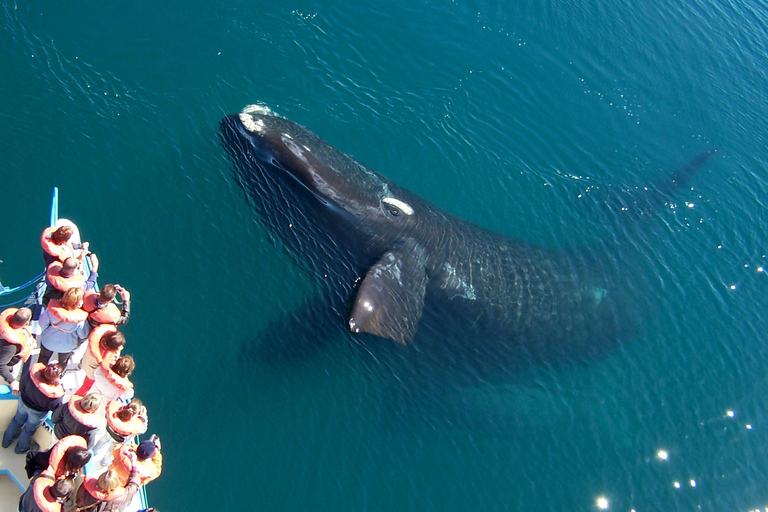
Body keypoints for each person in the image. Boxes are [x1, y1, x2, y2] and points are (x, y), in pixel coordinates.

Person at [2, 362, 64, 453]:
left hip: (23, 403)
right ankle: (20, 449)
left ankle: (6, 442)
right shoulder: (55, 393)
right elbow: (56, 407)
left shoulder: (32, 375)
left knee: (16, 420)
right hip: (37, 412)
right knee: (29, 430)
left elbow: (22, 384)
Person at [37, 287, 90, 369]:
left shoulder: (52, 310)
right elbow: (83, 335)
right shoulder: (79, 319)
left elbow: (42, 324)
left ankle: (39, 374)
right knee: (63, 362)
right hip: (67, 346)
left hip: (48, 341)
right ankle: (58, 377)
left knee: (43, 359)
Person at [92, 398, 148, 467]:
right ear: (135, 414)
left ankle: (94, 452)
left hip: (108, 432)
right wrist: (144, 416)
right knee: (110, 451)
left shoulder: (116, 412)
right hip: (117, 441)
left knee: (102, 441)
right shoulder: (133, 426)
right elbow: (143, 429)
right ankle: (104, 463)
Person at [75, 325, 125, 396]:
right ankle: (76, 396)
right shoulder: (105, 358)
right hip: (91, 372)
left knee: (86, 380)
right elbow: (108, 368)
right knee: (87, 386)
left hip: (86, 362)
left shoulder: (98, 340)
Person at [75, 460, 141, 512]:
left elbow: (79, 498)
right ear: (115, 485)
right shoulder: (119, 498)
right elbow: (134, 486)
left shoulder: (88, 485)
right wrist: (134, 469)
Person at [25, 434, 91, 479]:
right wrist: (32, 476)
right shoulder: (50, 458)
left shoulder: (74, 472)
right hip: (43, 474)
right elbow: (31, 456)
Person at [0, 307, 35, 391]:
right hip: (9, 363)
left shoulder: (3, 323)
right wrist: (12, 381)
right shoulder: (11, 346)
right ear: (26, 324)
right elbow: (1, 364)